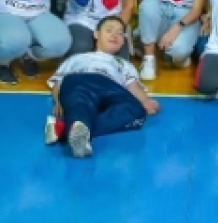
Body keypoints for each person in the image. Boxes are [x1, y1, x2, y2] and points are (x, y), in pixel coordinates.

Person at [44, 16, 159, 159]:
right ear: (96, 34)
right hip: (79, 81)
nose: (114, 35)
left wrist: (145, 101)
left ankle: (63, 128)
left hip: (109, 86)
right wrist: (59, 102)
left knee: (137, 113)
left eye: (119, 33)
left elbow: (133, 87)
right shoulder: (77, 58)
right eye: (109, 30)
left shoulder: (125, 64)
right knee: (81, 103)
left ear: (123, 41)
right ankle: (75, 131)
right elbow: (58, 82)